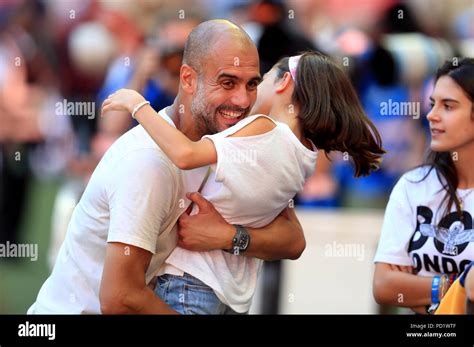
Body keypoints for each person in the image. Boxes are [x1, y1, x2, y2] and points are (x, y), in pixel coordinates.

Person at [27, 20, 307, 315]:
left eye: (252, 84)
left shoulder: (230, 144)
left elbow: (293, 239)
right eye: (227, 82)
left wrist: (229, 236)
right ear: (187, 79)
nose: (242, 100)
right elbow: (120, 298)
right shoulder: (148, 163)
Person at [102, 50, 385, 314]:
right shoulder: (306, 155)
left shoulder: (264, 128)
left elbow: (185, 154)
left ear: (283, 81)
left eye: (258, 81)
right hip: (232, 295)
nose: (247, 95)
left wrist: (138, 105)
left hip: (189, 282)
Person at [373, 58, 474, 314]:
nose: (431, 115)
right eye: (433, 104)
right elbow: (384, 287)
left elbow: (401, 289)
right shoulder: (413, 186)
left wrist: (417, 286)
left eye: (448, 106)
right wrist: (457, 285)